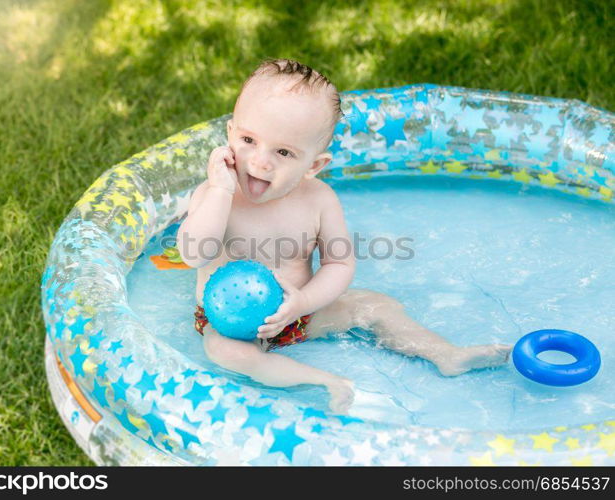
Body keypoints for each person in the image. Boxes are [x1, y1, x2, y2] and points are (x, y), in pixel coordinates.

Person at [177, 58, 511, 414]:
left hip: (300, 315)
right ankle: (322, 383)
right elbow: (194, 254)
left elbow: (338, 264)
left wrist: (301, 304)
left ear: (314, 165)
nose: (260, 162)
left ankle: (446, 354)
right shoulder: (214, 195)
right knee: (224, 351)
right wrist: (220, 192)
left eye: (284, 152)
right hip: (231, 324)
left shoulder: (319, 200)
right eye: (248, 140)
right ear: (229, 136)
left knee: (378, 306)